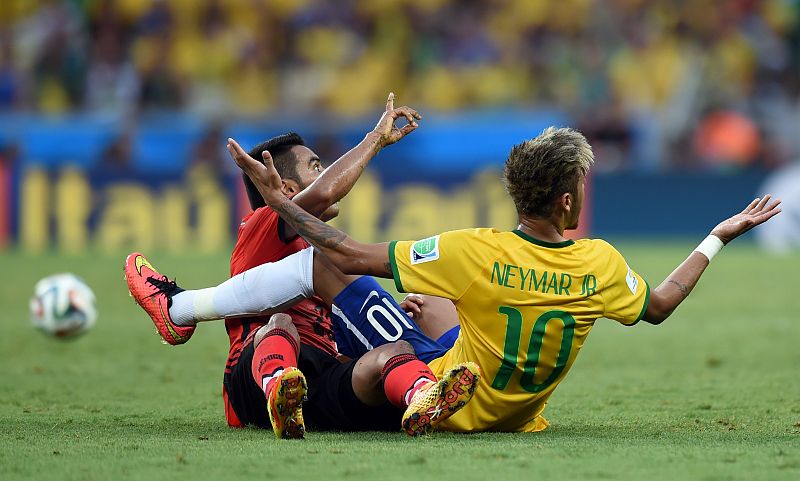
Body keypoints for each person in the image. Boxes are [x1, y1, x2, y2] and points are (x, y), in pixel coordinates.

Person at [216, 126, 781, 432]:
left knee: (374, 289)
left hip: (449, 390)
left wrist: (278, 204)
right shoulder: (601, 263)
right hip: (517, 416)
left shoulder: (474, 250)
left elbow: (347, 252)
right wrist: (717, 236)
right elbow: (660, 304)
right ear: (568, 201)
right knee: (428, 301)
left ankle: (193, 310)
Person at [126, 94, 479, 438]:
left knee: (393, 352)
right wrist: (375, 139)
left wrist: (390, 318)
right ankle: (277, 386)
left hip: (319, 382)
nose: (326, 172)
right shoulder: (264, 225)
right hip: (253, 378)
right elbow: (324, 193)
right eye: (316, 167)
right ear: (287, 188)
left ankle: (423, 396)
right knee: (280, 324)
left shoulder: (320, 253)